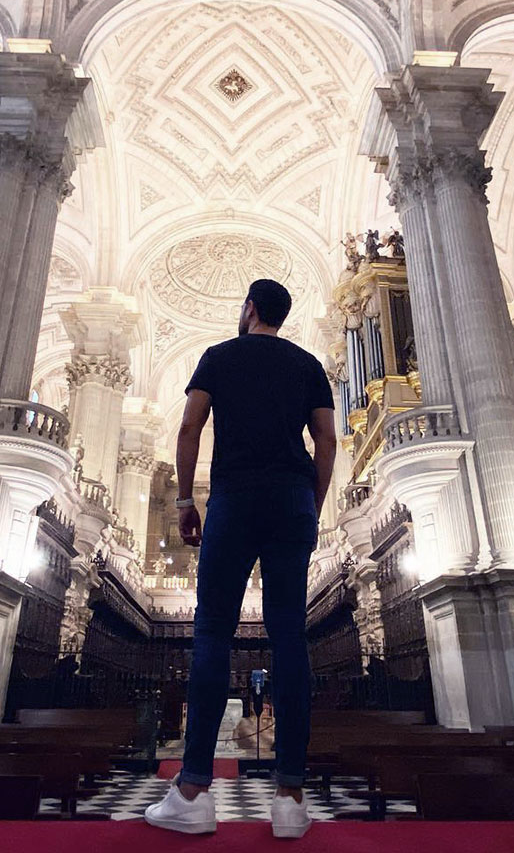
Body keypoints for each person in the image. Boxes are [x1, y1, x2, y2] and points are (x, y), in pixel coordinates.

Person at [144, 278, 337, 839]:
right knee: (290, 637)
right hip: (291, 500)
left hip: (233, 498)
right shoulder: (307, 364)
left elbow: (189, 426)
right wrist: (312, 502)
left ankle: (192, 792)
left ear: (249, 308)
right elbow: (326, 440)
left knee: (211, 634)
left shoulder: (219, 356)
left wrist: (185, 500)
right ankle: (290, 799)